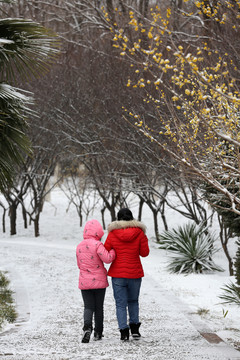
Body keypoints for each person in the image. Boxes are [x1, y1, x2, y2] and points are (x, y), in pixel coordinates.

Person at [104, 208, 149, 341]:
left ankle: (124, 331)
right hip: (134, 273)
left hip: (118, 274)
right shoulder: (139, 232)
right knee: (133, 301)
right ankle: (135, 329)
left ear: (118, 219)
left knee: (120, 304)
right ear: (132, 218)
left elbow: (106, 250)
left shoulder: (113, 233)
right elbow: (144, 253)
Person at [76, 219, 115, 343]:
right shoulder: (98, 245)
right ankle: (98, 332)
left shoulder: (79, 246)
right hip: (99, 282)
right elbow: (107, 259)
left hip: (85, 282)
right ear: (98, 232)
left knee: (88, 306)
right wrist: (113, 251)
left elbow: (79, 264)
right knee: (99, 308)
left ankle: (87, 328)